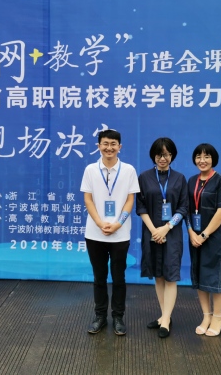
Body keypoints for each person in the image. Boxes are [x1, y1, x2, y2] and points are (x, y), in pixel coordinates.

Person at [80, 129, 140, 336]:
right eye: (105, 144)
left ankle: (118, 317)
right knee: (99, 277)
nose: (109, 148)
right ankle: (99, 316)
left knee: (118, 277)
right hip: (94, 233)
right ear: (98, 146)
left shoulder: (129, 170)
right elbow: (88, 199)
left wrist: (117, 224)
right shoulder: (90, 170)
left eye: (113, 144)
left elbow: (130, 200)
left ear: (119, 147)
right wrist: (99, 223)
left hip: (120, 234)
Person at [136, 137, 188, 338]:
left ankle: (166, 319)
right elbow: (140, 206)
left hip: (172, 234)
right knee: (158, 274)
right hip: (151, 233)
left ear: (172, 155)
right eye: (159, 155)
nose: (162, 158)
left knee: (170, 275)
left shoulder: (180, 178)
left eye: (166, 154)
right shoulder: (144, 177)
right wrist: (154, 231)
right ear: (153, 156)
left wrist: (166, 228)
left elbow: (183, 207)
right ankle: (164, 315)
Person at [187, 143, 221, 337]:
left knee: (215, 277)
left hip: (214, 238)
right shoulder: (191, 181)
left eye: (206, 156)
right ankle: (206, 316)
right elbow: (186, 209)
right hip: (195, 237)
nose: (202, 160)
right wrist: (191, 232)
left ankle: (218, 317)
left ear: (213, 159)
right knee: (200, 276)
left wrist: (204, 235)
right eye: (198, 156)